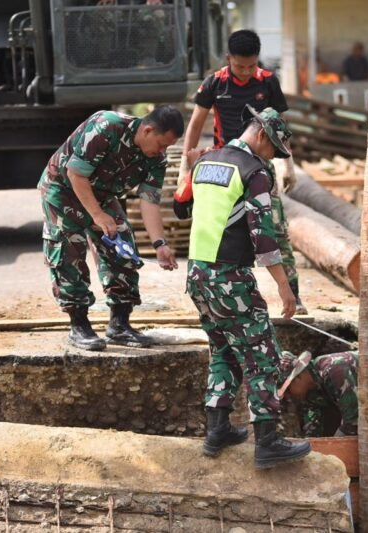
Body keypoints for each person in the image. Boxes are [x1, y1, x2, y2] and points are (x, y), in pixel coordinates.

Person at [177, 106, 311, 469]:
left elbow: (181, 206)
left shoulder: (207, 162)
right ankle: (267, 441)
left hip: (198, 275)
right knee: (262, 355)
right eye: (273, 150)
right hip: (229, 277)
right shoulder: (254, 171)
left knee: (223, 350)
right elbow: (263, 236)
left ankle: (217, 429)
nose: (272, 158)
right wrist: (285, 287)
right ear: (263, 136)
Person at [182, 29, 306, 314]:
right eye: (240, 66)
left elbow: (280, 126)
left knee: (276, 229)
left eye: (252, 66)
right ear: (229, 59)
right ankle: (212, 291)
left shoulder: (268, 81)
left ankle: (294, 296)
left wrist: (287, 164)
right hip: (223, 165)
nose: (247, 72)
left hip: (259, 164)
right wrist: (185, 169)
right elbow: (196, 124)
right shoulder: (215, 83)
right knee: (217, 228)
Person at [39, 107, 183, 351]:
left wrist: (160, 244)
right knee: (68, 252)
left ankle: (119, 325)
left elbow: (149, 201)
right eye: (161, 144)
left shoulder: (156, 159)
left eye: (167, 147)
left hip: (102, 196)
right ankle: (79, 325)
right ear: (148, 130)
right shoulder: (108, 126)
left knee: (123, 250)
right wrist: (97, 215)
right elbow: (76, 174)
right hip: (63, 190)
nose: (162, 151)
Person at [277, 350, 368, 437]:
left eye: (288, 391)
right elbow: (314, 425)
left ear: (298, 377)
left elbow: (353, 421)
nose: (289, 397)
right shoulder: (309, 390)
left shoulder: (335, 372)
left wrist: (332, 453)